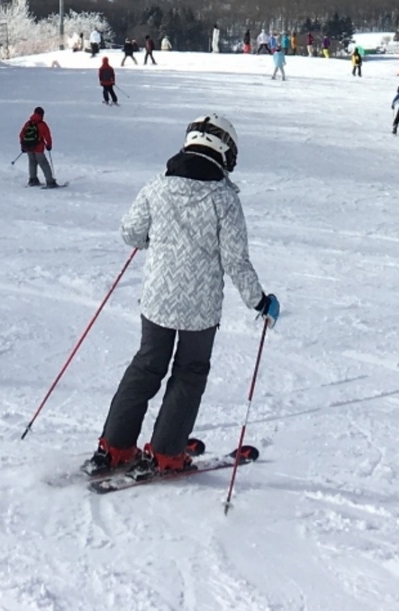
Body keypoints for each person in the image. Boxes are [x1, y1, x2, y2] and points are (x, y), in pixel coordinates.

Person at [84, 114, 279, 478]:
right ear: (224, 151)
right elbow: (235, 260)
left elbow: (130, 233)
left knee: (147, 366)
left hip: (157, 299)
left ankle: (115, 446)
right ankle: (166, 451)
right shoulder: (223, 198)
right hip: (199, 309)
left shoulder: (158, 186)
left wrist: (151, 240)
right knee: (189, 373)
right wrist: (260, 300)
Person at [19, 107, 57, 188]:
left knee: (32, 162)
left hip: (29, 147)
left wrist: (23, 145)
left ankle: (33, 179)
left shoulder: (28, 123)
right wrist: (49, 145)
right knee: (44, 163)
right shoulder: (42, 124)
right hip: (38, 148)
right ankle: (50, 181)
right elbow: (47, 135)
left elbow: (21, 134)